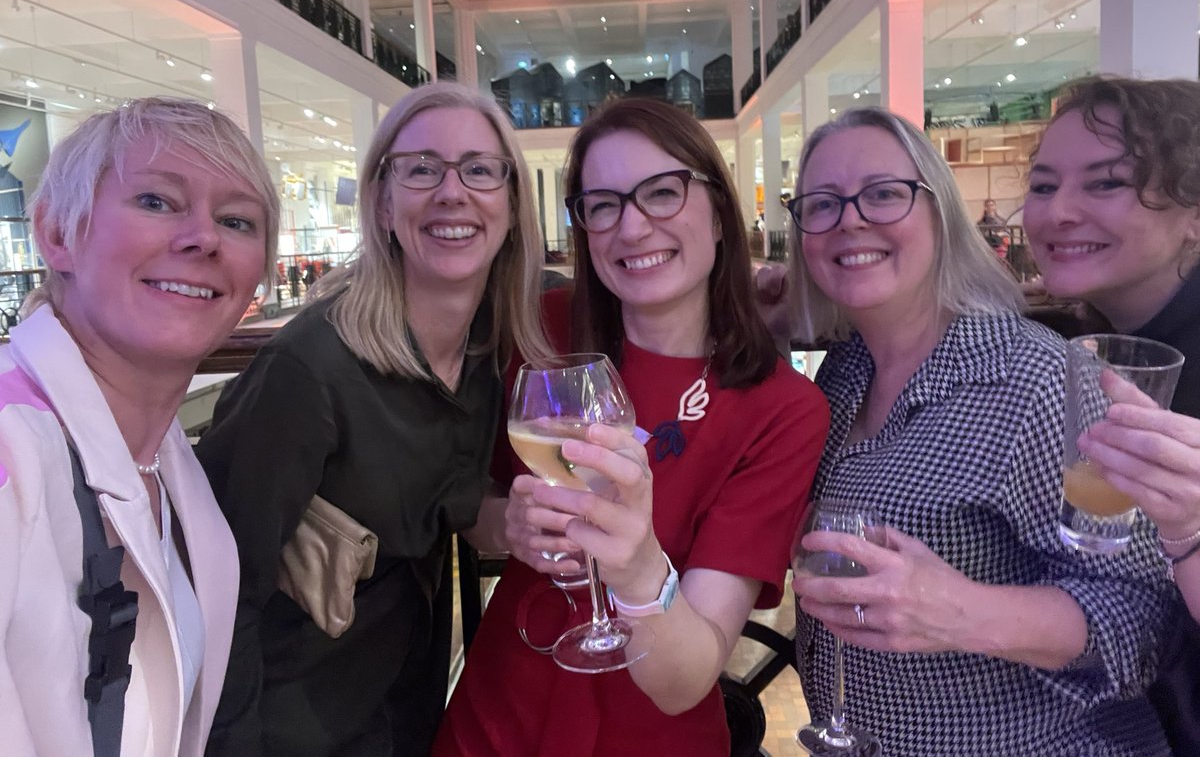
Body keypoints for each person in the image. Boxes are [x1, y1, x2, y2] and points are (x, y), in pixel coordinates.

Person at [434, 98, 830, 756]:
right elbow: (470, 498)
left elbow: (685, 680)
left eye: (663, 193)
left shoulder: (780, 409)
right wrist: (510, 526)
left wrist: (639, 565)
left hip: (649, 731)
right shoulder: (540, 331)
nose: (634, 226)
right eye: (603, 204)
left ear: (720, 212)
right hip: (497, 716)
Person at [784, 106, 1174, 756]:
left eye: (883, 194)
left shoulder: (1034, 379)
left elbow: (1147, 618)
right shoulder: (843, 376)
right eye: (822, 204)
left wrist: (965, 610)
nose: (850, 218)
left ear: (939, 214)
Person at [197, 82, 552, 757]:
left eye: (479, 169)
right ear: (384, 202)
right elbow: (217, 592)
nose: (452, 192)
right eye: (421, 168)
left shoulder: (489, 348)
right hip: (291, 727)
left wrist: (760, 305)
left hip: (406, 716)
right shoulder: (309, 372)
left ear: (511, 204)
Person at [0, 97, 278, 755]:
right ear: (58, 234)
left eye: (236, 220)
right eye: (157, 201)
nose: (203, 238)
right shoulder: (13, 455)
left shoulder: (161, 458)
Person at [1023, 75, 1200, 755]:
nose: (1058, 212)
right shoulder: (1079, 343)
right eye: (1042, 186)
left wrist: (1190, 525)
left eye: (1105, 184)